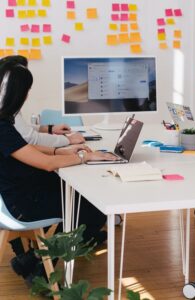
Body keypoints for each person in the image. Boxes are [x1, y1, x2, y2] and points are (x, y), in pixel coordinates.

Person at [0, 63, 118, 283]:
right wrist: (85, 157)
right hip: (19, 205)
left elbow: (27, 149)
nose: (28, 96)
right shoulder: (3, 126)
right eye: (27, 90)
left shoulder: (4, 122)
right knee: (91, 209)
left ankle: (31, 260)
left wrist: (60, 150)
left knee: (80, 198)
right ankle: (40, 269)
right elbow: (46, 164)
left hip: (17, 193)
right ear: (19, 94)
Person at [0, 55, 84, 147]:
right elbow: (30, 138)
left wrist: (49, 128)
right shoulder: (4, 108)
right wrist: (68, 140)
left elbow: (19, 128)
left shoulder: (7, 104)